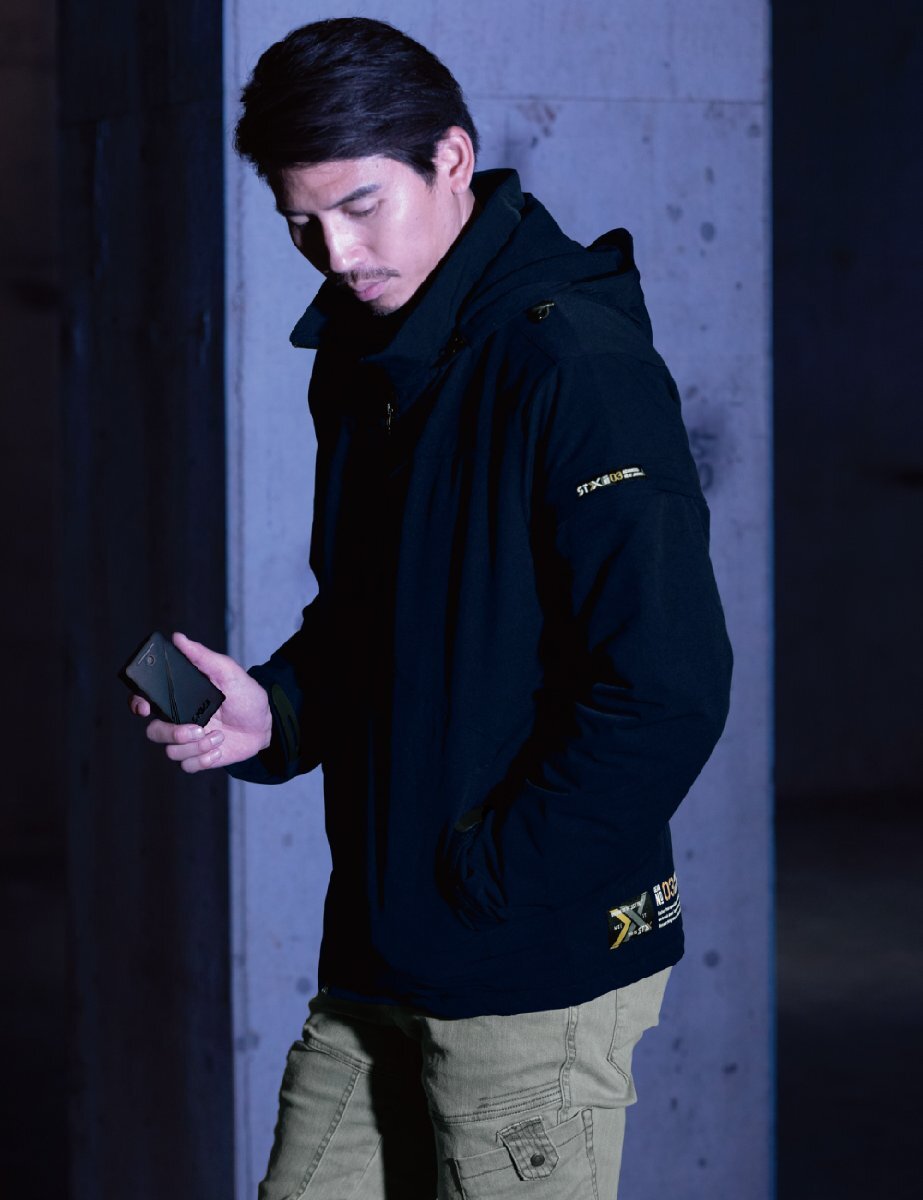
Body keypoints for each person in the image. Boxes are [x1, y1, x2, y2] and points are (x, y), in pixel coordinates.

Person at [131, 17, 733, 1198]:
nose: (336, 253)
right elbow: (374, 620)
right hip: (381, 948)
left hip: (522, 972)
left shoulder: (573, 367)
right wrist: (276, 713)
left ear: (450, 159)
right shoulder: (367, 358)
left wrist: (488, 881)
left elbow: (664, 688)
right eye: (302, 222)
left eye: (361, 206)